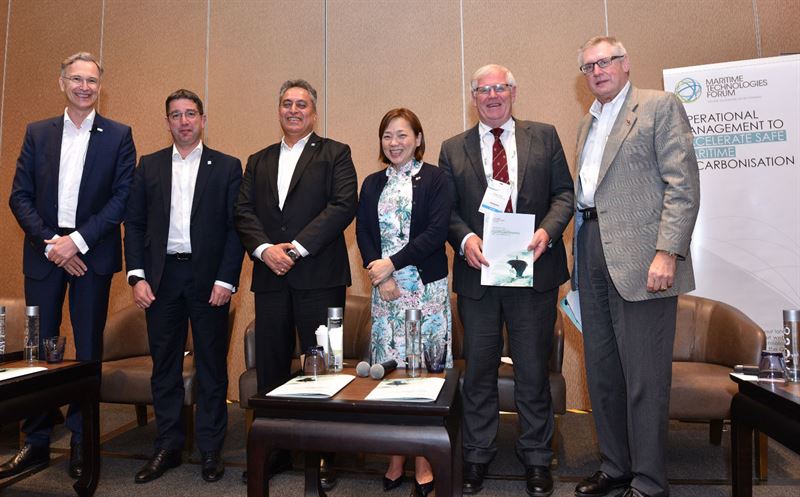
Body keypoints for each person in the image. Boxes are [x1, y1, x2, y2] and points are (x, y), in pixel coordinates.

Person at [572, 36, 700, 497]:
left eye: (605, 61)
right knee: (602, 371)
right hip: (591, 247)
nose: (597, 71)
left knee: (645, 376)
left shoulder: (659, 106)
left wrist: (668, 252)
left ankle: (648, 482)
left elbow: (682, 185)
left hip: (645, 259)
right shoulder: (587, 122)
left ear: (626, 63)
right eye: (588, 66)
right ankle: (616, 467)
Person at [439, 64, 574, 497]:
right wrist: (465, 239)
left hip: (533, 270)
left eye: (500, 88)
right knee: (478, 370)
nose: (492, 95)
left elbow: (564, 195)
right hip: (478, 275)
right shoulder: (452, 148)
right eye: (484, 90)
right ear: (473, 97)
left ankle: (536, 456)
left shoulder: (544, 136)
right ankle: (477, 454)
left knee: (533, 368)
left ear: (513, 92)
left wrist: (547, 232)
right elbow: (446, 211)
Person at [5, 52, 135, 479]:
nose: (84, 87)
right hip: (44, 253)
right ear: (62, 83)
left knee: (88, 350)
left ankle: (83, 441)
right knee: (37, 351)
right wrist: (53, 244)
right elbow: (19, 196)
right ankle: (36, 441)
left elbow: (121, 198)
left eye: (92, 81)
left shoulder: (119, 135)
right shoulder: (37, 132)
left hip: (91, 255)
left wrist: (76, 242)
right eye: (76, 79)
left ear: (100, 86)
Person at [234, 79, 357, 487]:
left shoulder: (336, 153)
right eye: (286, 103)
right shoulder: (258, 160)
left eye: (301, 104)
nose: (293, 110)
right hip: (270, 276)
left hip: (319, 276)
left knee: (323, 367)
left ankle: (325, 454)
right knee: (271, 366)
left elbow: (343, 206)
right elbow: (243, 211)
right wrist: (265, 249)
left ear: (314, 112)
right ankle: (275, 450)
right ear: (278, 110)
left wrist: (297, 249)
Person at [123, 89, 243, 483]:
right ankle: (168, 446)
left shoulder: (226, 166)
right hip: (161, 279)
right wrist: (137, 276)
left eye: (191, 114)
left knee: (211, 366)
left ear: (203, 119)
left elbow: (236, 229)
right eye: (176, 115)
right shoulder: (149, 165)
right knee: (165, 366)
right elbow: (134, 224)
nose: (184, 121)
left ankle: (210, 449)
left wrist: (226, 280)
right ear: (167, 122)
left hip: (209, 280)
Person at [356, 108, 453, 497]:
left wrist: (391, 264)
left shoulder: (436, 178)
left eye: (402, 135)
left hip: (426, 291)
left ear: (418, 138)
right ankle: (395, 457)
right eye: (387, 136)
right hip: (386, 292)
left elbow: (437, 232)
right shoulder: (372, 183)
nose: (394, 143)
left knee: (423, 374)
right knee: (391, 374)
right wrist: (381, 276)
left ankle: (424, 461)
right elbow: (364, 232)